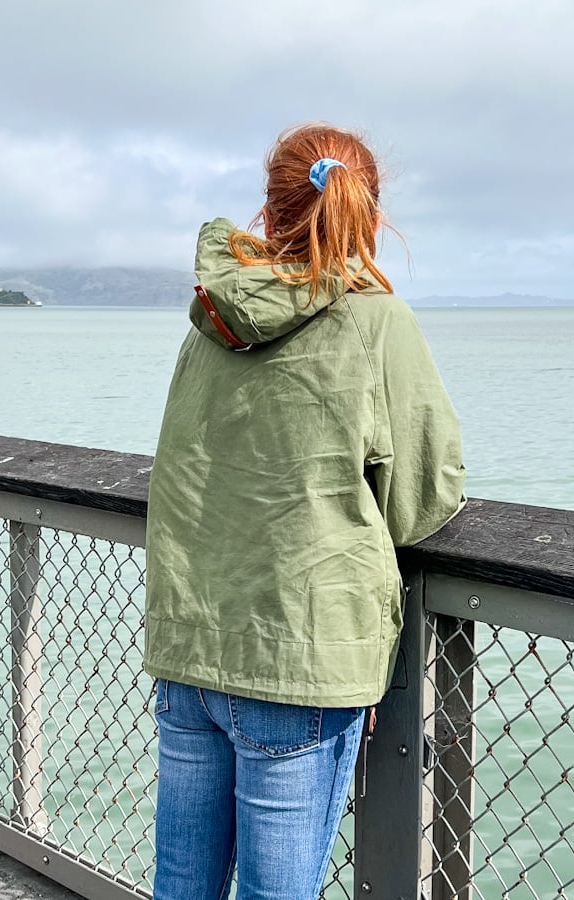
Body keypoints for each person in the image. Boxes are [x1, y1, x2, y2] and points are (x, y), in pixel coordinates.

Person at [144, 123, 466, 899]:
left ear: (272, 205)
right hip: (300, 651)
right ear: (369, 211)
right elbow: (424, 496)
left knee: (181, 884)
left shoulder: (212, 319)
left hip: (191, 642)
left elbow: (190, 464)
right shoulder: (377, 322)